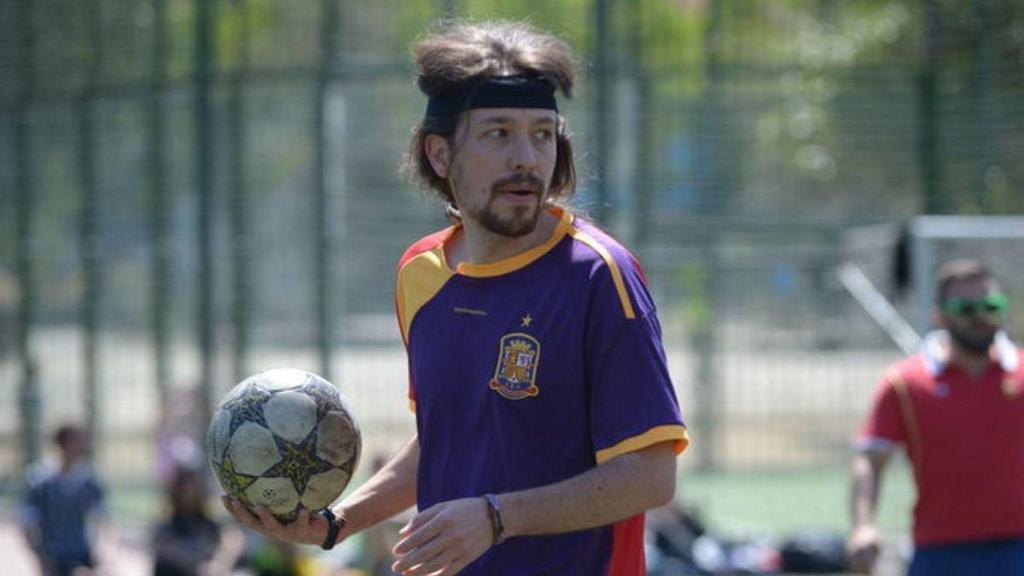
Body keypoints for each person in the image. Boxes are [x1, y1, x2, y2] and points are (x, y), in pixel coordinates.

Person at [224, 19, 689, 576]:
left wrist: (498, 516)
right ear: (440, 155)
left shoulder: (599, 277)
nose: (528, 158)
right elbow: (446, 438)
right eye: (498, 133)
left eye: (543, 134)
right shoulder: (421, 274)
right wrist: (336, 523)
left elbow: (650, 475)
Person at [848, 258, 1024, 575]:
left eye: (990, 305)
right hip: (939, 553)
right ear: (940, 316)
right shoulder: (905, 383)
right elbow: (870, 460)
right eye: (965, 309)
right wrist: (864, 525)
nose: (980, 317)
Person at [18, 423, 114, 576]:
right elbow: (27, 523)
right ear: (61, 444)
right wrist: (40, 556)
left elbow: (104, 519)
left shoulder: (89, 481)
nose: (81, 446)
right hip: (53, 556)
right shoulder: (40, 482)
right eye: (75, 441)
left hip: (82, 554)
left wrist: (105, 555)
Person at [152, 464, 244, 576]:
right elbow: (165, 548)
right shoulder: (168, 526)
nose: (190, 493)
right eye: (186, 488)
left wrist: (220, 564)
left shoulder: (210, 525)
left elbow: (232, 539)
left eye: (195, 487)